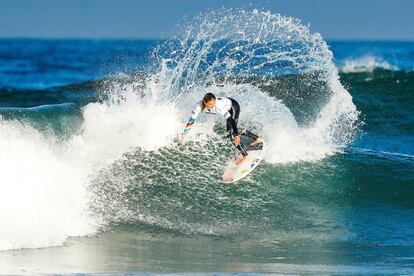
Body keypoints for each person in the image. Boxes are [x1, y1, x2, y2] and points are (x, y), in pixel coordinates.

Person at [181, 93, 261, 158]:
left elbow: (231, 120)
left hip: (233, 106)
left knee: (233, 134)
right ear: (205, 103)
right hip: (227, 104)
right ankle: (253, 140)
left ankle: (246, 154)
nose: (213, 106)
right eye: (210, 105)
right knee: (230, 134)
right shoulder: (198, 107)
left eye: (213, 103)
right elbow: (191, 122)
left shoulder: (218, 106)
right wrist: (184, 135)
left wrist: (236, 135)